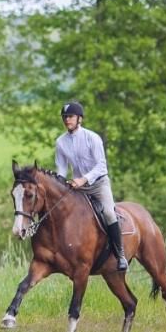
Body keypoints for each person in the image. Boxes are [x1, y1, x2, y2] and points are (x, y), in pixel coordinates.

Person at [54, 101, 128, 271]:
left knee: (109, 213)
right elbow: (62, 168)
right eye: (65, 117)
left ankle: (120, 255)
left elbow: (101, 166)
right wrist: (60, 182)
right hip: (78, 187)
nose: (67, 120)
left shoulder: (92, 138)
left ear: (79, 119)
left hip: (98, 184)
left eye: (70, 116)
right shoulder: (60, 142)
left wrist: (83, 179)